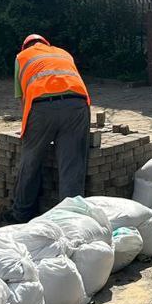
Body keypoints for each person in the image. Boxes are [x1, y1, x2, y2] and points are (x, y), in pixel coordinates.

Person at [8, 34, 91, 223]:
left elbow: (23, 99)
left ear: (25, 47)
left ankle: (21, 214)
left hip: (41, 108)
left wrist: (30, 131)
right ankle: (71, 220)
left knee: (30, 161)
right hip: (77, 107)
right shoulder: (63, 53)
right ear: (47, 44)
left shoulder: (22, 58)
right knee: (72, 166)